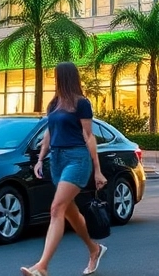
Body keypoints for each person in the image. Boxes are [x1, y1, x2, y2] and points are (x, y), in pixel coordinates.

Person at [22, 61, 108, 276]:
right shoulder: (54, 104)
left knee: (56, 209)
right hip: (57, 160)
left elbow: (89, 136)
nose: (54, 78)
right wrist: (41, 159)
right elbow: (49, 134)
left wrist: (97, 170)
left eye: (57, 75)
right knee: (71, 213)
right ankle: (94, 249)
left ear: (65, 77)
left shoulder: (81, 103)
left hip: (77, 158)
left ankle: (42, 266)